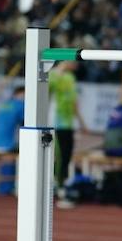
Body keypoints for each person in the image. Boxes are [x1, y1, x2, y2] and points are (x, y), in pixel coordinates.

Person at [48, 59, 86, 205]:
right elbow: (45, 96)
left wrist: (82, 123)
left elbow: (74, 101)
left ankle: (60, 186)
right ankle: (58, 188)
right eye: (74, 61)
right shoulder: (51, 75)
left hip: (68, 124)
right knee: (59, 157)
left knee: (66, 156)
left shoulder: (70, 78)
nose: (76, 64)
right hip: (55, 123)